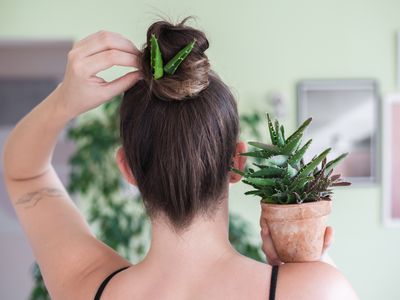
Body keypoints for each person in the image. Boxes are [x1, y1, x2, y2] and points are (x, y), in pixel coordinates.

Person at [2, 18, 359, 300]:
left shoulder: (87, 287)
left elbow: (24, 173)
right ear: (238, 160)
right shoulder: (315, 291)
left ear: (128, 168)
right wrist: (307, 265)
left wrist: (65, 99)